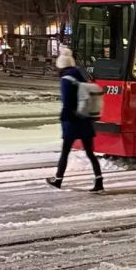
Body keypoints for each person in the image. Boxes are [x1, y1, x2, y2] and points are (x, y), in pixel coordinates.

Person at [46, 46, 104, 192]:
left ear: (61, 65)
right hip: (85, 119)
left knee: (65, 152)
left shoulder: (66, 80)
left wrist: (64, 117)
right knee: (90, 153)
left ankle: (58, 180)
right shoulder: (80, 76)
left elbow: (67, 102)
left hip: (72, 121)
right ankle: (99, 181)